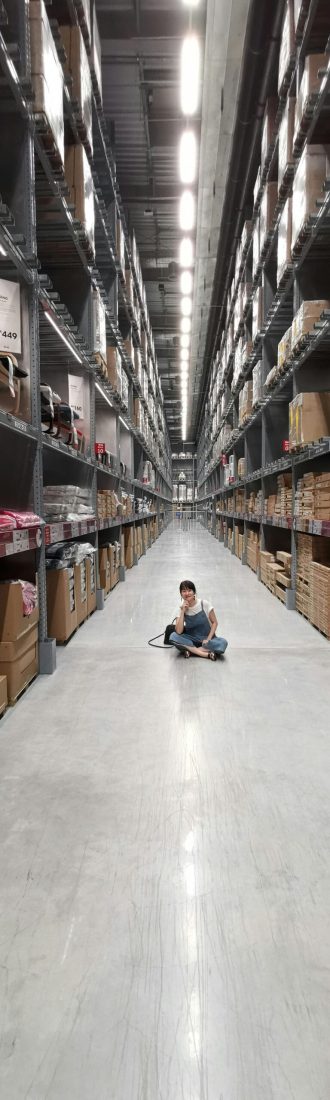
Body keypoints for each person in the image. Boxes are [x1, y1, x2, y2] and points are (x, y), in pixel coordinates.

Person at [170, 580, 228, 661]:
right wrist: (183, 611)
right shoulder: (180, 608)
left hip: (207, 639)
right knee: (173, 636)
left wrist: (208, 639)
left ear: (194, 592)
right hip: (191, 639)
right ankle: (206, 654)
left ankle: (191, 651)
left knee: (223, 642)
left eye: (189, 590)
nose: (187, 593)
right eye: (184, 591)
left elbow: (215, 622)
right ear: (181, 594)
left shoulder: (204, 604)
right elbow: (179, 631)